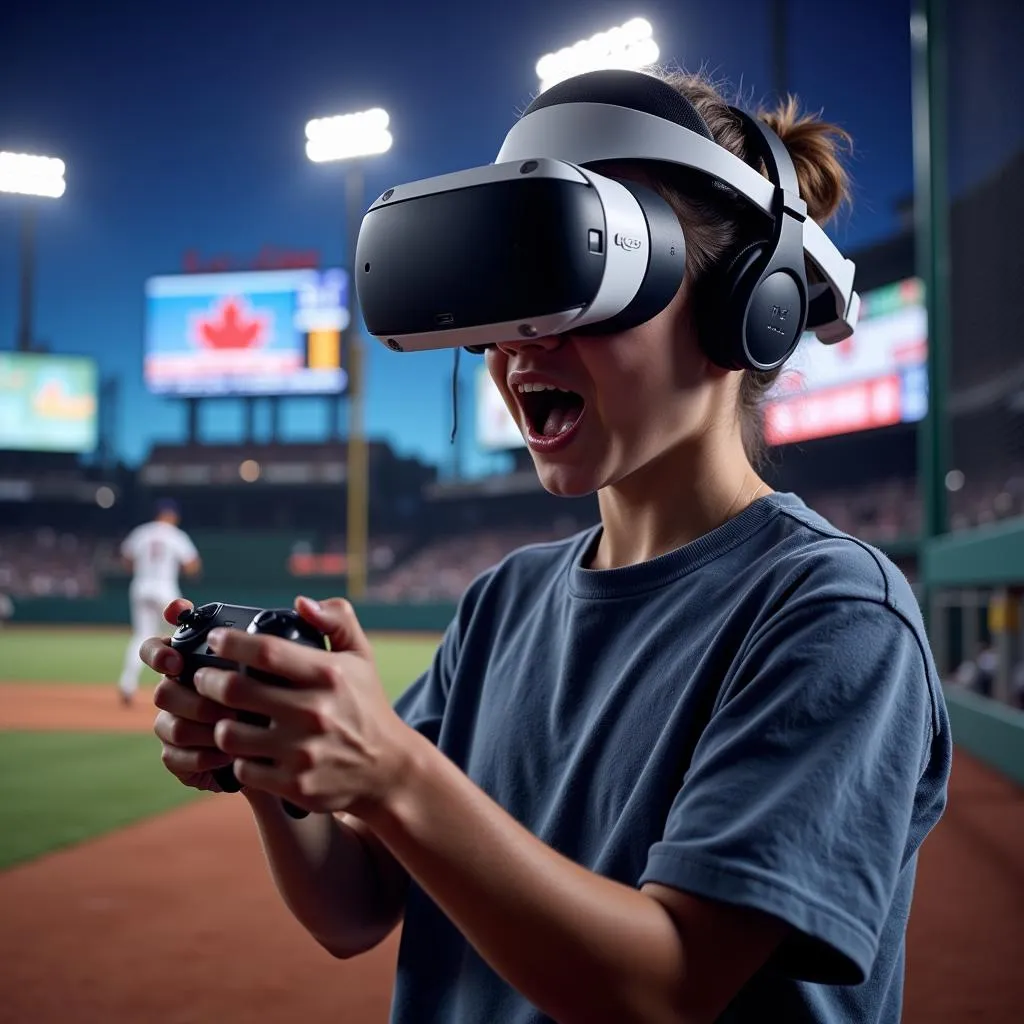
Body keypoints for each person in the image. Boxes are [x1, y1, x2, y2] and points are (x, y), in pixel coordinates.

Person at [141, 68, 952, 1024]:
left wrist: (399, 775)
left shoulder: (831, 614)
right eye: (504, 295)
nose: (520, 345)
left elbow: (666, 986)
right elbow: (354, 908)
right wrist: (272, 763)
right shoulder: (503, 601)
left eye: (579, 281)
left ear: (749, 306)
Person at [118, 498, 200, 705]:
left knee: (142, 636)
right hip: (165, 589)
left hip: (141, 587)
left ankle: (127, 684)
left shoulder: (142, 532)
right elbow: (193, 566)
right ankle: (175, 685)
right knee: (179, 636)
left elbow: (126, 560)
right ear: (172, 516)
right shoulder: (176, 535)